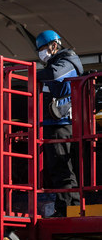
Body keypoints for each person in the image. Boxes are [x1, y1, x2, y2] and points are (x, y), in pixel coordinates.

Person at [36, 30, 83, 217]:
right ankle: (69, 207)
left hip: (61, 124)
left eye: (42, 48)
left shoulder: (68, 61)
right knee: (59, 168)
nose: (41, 53)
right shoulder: (57, 63)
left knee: (62, 168)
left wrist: (33, 74)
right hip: (53, 122)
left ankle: (67, 209)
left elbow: (55, 75)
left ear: (54, 45)